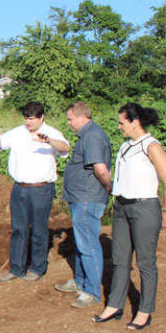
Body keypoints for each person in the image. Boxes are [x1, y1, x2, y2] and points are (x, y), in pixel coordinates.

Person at [93, 103, 166, 330]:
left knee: (145, 263)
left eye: (122, 122)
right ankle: (114, 305)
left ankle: (144, 310)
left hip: (145, 209)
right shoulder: (124, 147)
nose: (119, 126)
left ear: (135, 122)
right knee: (120, 260)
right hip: (122, 208)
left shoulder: (151, 146)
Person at [0, 102, 69, 281]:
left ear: (42, 117)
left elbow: (65, 148)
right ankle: (16, 268)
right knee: (18, 229)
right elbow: (1, 144)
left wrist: (49, 141)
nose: (29, 122)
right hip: (19, 188)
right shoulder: (18, 132)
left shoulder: (52, 133)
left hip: (41, 189)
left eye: (32, 119)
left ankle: (37, 268)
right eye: (26, 118)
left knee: (38, 230)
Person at [54, 102, 111, 308]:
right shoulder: (87, 136)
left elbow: (101, 169)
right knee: (81, 242)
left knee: (88, 245)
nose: (68, 123)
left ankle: (92, 292)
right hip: (81, 197)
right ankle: (80, 282)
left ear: (82, 117)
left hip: (88, 198)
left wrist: (108, 187)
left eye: (70, 119)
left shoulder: (93, 136)